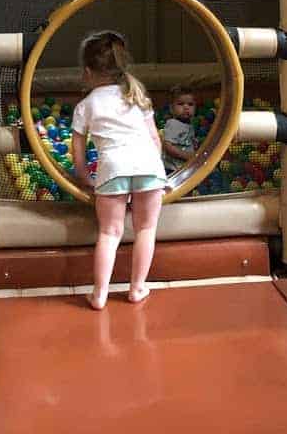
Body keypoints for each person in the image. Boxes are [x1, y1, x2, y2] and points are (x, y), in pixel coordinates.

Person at [70, 30, 166, 309]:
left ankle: (99, 294)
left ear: (87, 72)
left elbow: (77, 152)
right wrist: (156, 171)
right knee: (146, 229)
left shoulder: (85, 105)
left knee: (110, 233)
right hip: (148, 165)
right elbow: (155, 140)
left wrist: (86, 178)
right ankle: (137, 289)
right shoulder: (136, 95)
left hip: (112, 169)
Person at [161, 84, 198, 171]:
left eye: (190, 104)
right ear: (171, 108)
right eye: (180, 104)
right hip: (173, 169)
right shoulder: (173, 124)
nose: (186, 107)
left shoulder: (189, 124)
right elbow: (167, 146)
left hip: (185, 168)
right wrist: (186, 156)